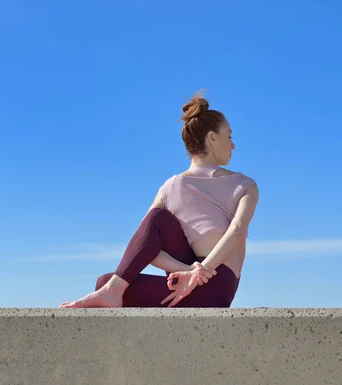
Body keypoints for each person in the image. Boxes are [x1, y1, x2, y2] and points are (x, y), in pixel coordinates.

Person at [59, 91, 259, 308]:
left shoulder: (242, 185)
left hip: (214, 284)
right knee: (106, 280)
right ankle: (112, 289)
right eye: (229, 136)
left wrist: (199, 273)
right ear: (212, 138)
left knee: (109, 284)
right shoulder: (235, 183)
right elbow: (144, 244)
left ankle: (112, 290)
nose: (233, 145)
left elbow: (237, 231)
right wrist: (188, 270)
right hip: (185, 276)